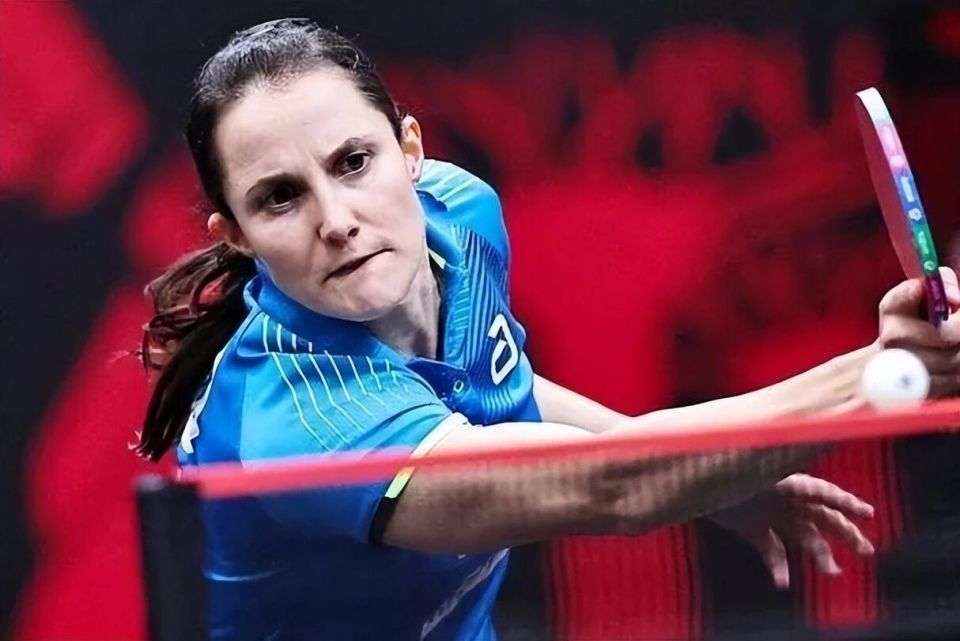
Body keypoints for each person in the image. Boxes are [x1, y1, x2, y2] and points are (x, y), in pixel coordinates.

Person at [137, 18, 960, 641]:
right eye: (280, 197)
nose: (337, 219)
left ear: (410, 150)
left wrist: (714, 478)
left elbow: (504, 384)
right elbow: (610, 487)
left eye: (354, 162)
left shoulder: (458, 215)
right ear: (234, 235)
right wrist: (883, 374)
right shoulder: (303, 418)